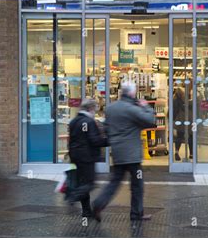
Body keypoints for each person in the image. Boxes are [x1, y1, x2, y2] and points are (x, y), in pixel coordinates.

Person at [92, 81, 156, 222]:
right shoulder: (131, 109)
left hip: (118, 153)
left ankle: (98, 203)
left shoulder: (110, 108)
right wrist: (147, 107)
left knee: (114, 182)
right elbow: (150, 121)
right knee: (137, 185)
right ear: (132, 93)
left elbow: (106, 129)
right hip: (132, 156)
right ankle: (136, 214)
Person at [67, 98, 109, 218]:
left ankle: (86, 211)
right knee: (90, 183)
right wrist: (108, 141)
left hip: (75, 156)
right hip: (87, 157)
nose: (94, 112)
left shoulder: (74, 121)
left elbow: (72, 139)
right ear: (90, 109)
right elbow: (95, 141)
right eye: (94, 110)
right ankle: (74, 195)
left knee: (83, 181)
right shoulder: (89, 122)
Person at [172, 87, 193, 162]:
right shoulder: (184, 102)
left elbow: (173, 112)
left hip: (179, 121)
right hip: (187, 120)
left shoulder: (174, 101)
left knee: (179, 137)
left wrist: (173, 121)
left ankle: (177, 152)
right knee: (190, 136)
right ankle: (191, 153)